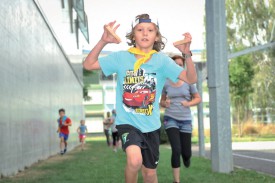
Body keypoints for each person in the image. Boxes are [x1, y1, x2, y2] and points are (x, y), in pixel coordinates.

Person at [83, 13, 197, 183]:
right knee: (134, 161)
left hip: (151, 127)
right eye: (140, 30)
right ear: (133, 35)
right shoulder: (121, 57)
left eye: (150, 30)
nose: (145, 33)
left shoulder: (162, 61)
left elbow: (191, 79)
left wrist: (187, 55)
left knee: (150, 174)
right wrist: (103, 41)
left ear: (156, 36)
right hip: (127, 122)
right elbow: (88, 64)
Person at [160, 55, 201, 183]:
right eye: (175, 64)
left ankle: (187, 158)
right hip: (170, 118)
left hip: (185, 120)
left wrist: (188, 104)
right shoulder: (165, 82)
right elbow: (161, 101)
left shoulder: (188, 82)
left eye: (180, 64)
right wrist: (164, 103)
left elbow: (198, 98)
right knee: (176, 149)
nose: (178, 66)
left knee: (186, 153)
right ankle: (176, 181)